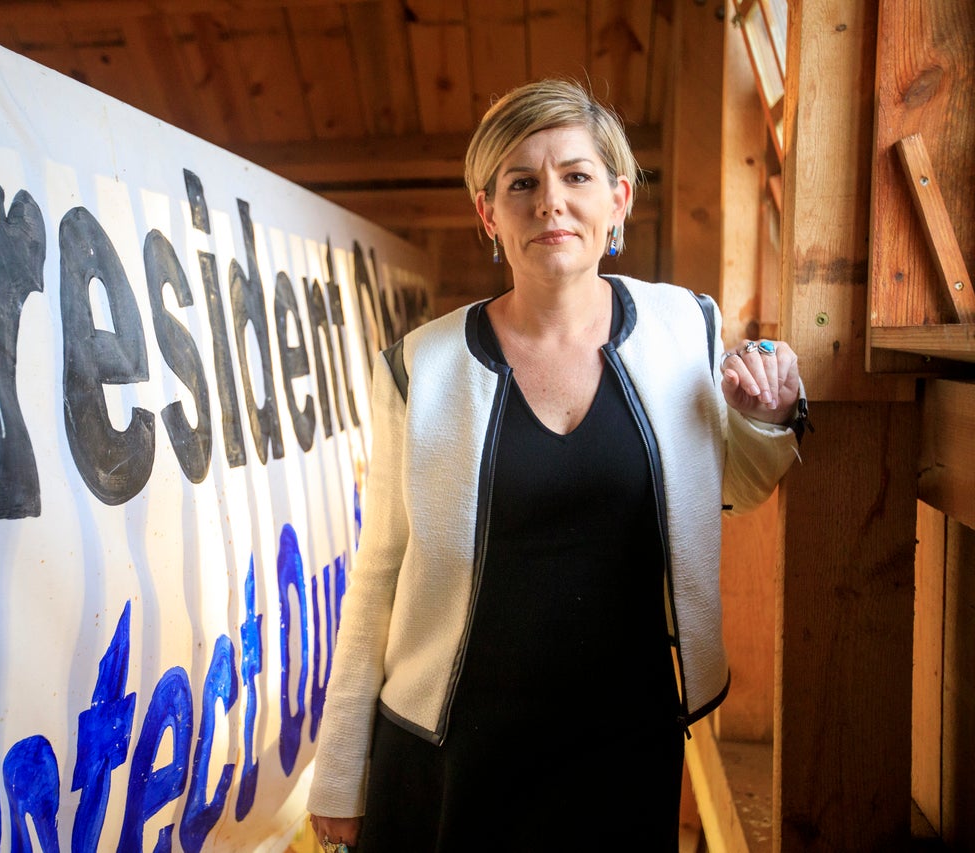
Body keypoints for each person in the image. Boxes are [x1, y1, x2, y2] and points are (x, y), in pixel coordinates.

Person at [305, 77, 807, 851]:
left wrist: (765, 421)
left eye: (575, 175)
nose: (549, 201)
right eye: (521, 182)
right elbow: (379, 570)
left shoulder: (685, 329)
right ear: (488, 212)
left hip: (624, 744)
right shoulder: (419, 366)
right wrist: (341, 769)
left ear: (618, 198)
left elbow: (732, 490)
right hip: (451, 748)